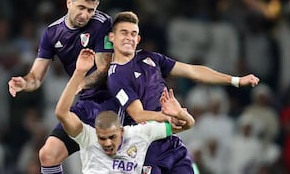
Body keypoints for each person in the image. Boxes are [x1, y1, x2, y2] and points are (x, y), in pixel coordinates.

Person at [107, 11, 260, 174]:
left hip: (170, 141)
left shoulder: (150, 58)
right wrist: (170, 116)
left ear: (138, 39)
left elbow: (193, 71)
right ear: (112, 37)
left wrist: (235, 80)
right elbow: (138, 114)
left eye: (133, 34)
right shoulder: (116, 76)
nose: (129, 37)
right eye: (123, 33)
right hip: (143, 148)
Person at [8, 0, 115, 174]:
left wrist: (78, 85)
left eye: (91, 10)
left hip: (112, 103)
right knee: (48, 154)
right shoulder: (52, 33)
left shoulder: (102, 23)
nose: (85, 15)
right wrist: (24, 82)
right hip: (85, 105)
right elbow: (36, 77)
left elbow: (103, 68)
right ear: (69, 2)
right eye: (81, 7)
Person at [55, 48, 195, 174]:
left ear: (122, 131)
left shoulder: (139, 134)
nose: (107, 143)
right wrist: (79, 72)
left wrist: (179, 113)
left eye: (112, 137)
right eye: (102, 138)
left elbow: (186, 124)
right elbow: (61, 113)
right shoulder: (87, 138)